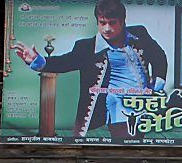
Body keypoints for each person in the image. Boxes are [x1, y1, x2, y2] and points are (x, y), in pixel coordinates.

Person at [12, 0, 168, 139]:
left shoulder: (139, 33)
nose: (106, 28)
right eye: (102, 22)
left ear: (122, 22)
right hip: (116, 105)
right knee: (127, 143)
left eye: (112, 23)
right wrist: (37, 61)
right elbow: (64, 62)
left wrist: (159, 81)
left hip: (145, 103)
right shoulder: (86, 47)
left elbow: (159, 56)